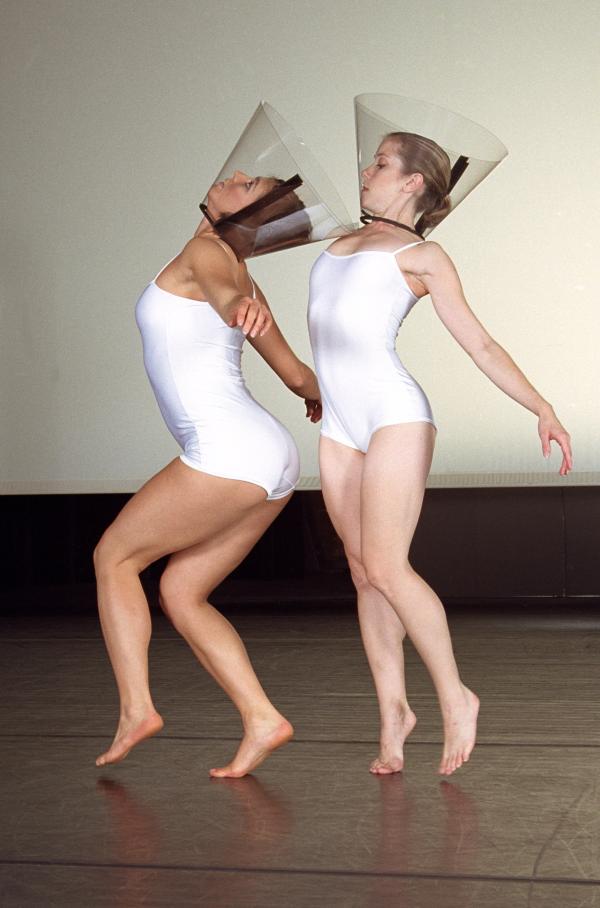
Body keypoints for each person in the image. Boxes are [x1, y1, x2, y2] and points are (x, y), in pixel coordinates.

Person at [308, 130, 573, 776]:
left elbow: (480, 345)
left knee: (388, 565)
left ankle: (457, 697)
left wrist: (540, 406)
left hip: (395, 415)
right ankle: (394, 714)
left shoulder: (424, 255)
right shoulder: (341, 240)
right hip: (340, 422)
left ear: (411, 183)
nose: (365, 171)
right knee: (363, 572)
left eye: (379, 164)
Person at [94, 169, 322, 778]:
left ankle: (137, 707)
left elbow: (225, 296)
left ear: (254, 216)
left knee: (114, 558)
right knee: (180, 591)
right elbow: (298, 377)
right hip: (271, 457)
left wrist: (235, 305)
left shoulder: (209, 256)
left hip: (227, 451)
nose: (237, 176)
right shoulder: (238, 270)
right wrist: (318, 395)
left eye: (250, 185)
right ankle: (262, 718)